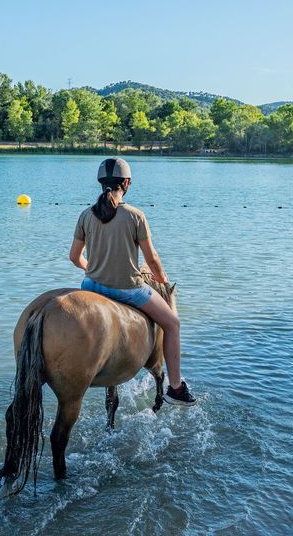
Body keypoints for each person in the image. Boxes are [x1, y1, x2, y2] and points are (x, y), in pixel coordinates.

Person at [69, 158, 197, 406]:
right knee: (172, 324)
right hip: (127, 289)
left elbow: (74, 257)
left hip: (91, 286)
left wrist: (92, 268)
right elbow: (152, 258)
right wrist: (162, 280)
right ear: (126, 183)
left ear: (100, 184)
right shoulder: (135, 215)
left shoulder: (86, 215)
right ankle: (176, 387)